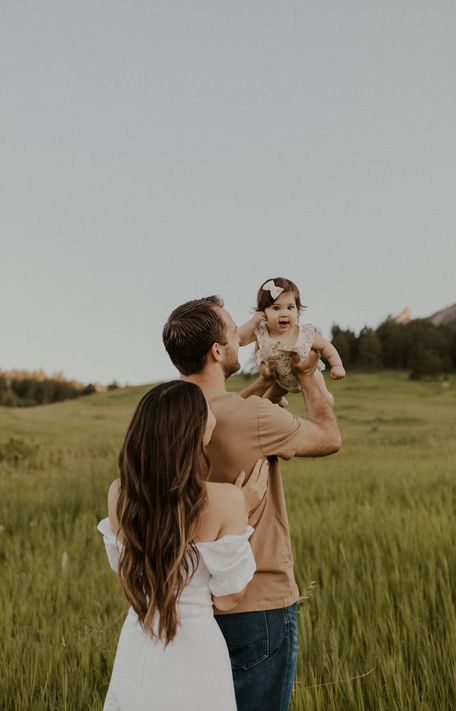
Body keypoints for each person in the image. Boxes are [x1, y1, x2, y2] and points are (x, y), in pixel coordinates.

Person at [162, 297, 342, 711]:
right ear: (217, 351)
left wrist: (269, 385)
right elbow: (329, 438)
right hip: (256, 603)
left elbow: (227, 411)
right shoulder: (254, 416)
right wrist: (308, 371)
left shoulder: (162, 415)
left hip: (186, 601)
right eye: (232, 330)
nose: (245, 333)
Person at [97, 380, 269, 711]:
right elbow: (229, 598)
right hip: (194, 651)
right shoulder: (228, 499)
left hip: (138, 640)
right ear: (193, 430)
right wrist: (242, 508)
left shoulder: (119, 492)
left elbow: (129, 573)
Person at [237, 277, 346, 407]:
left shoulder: (303, 333)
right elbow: (239, 339)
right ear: (263, 312)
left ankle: (327, 398)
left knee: (323, 401)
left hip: (310, 375)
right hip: (280, 380)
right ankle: (278, 400)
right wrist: (252, 322)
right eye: (276, 308)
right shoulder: (262, 332)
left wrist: (337, 366)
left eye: (290, 307)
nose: (284, 313)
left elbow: (326, 346)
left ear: (297, 310)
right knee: (267, 401)